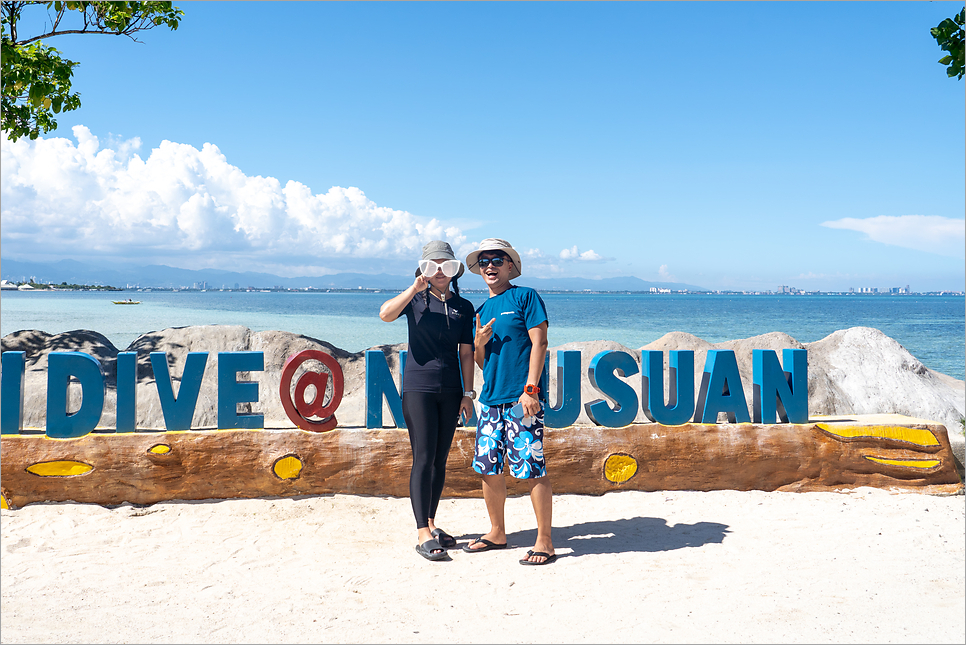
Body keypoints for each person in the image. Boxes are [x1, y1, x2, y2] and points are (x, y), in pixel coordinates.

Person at [379, 241, 477, 561]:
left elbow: (466, 352)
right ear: (423, 269)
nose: (439, 272)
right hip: (418, 389)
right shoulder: (415, 301)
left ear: (453, 270)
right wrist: (413, 287)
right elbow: (385, 314)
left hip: (450, 390)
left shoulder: (464, 307)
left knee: (439, 460)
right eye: (431, 266)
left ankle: (432, 523)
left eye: (445, 266)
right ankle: (422, 532)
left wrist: (467, 393)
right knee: (423, 457)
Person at [462, 238, 555, 565]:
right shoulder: (481, 311)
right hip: (490, 401)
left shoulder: (525, 297)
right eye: (485, 261)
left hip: (521, 400)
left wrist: (531, 389)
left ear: (510, 266)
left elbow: (539, 342)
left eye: (497, 260)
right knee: (488, 468)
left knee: (531, 468)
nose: (490, 265)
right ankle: (496, 531)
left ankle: (544, 539)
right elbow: (481, 363)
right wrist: (479, 343)